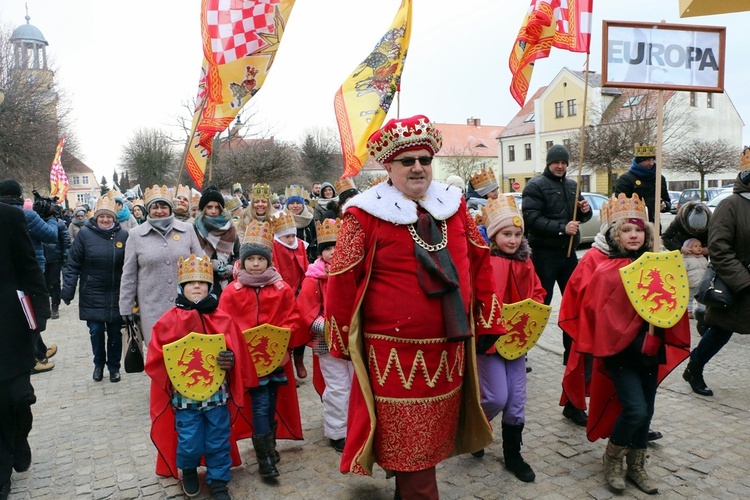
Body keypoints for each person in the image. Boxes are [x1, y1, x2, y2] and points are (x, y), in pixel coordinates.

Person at [325, 115, 504, 498]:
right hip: (394, 358)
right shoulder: (363, 215)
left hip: (450, 349)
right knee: (412, 450)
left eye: (424, 159)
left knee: (428, 445)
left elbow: (480, 261)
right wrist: (339, 343)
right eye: (407, 161)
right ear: (389, 167)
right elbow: (341, 281)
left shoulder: (453, 207)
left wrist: (488, 323)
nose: (418, 167)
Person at [576, 193, 689, 494]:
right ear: (616, 235)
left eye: (639, 229)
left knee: (647, 411)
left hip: (650, 350)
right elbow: (599, 317)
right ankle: (612, 459)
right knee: (635, 410)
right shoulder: (605, 272)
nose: (634, 235)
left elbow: (669, 303)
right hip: (621, 353)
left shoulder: (657, 265)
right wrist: (627, 336)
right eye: (627, 230)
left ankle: (637, 466)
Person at [145, 254, 255, 499]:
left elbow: (237, 352)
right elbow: (156, 359)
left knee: (218, 439)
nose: (197, 286)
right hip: (185, 399)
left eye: (202, 282)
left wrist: (231, 360)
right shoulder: (167, 321)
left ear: (210, 286)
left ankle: (218, 480)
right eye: (191, 282)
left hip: (218, 395)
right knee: (189, 441)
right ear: (181, 287)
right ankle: (189, 469)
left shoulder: (222, 318)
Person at [218, 221, 304, 479]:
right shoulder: (232, 292)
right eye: (251, 259)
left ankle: (270, 446)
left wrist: (282, 338)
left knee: (272, 400)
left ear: (268, 261)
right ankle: (264, 456)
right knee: (260, 403)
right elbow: (224, 323)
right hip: (249, 360)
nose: (255, 263)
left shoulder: (282, 289)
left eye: (260, 259)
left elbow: (294, 317)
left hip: (275, 357)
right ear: (243, 262)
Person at [474, 196, 545, 482]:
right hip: (489, 343)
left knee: (516, 400)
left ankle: (513, 455)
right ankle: (476, 429)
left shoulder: (526, 262)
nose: (513, 240)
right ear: (494, 235)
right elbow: (475, 299)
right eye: (506, 234)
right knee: (495, 396)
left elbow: (538, 294)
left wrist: (532, 310)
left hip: (516, 342)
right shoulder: (485, 262)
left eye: (517, 234)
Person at [522, 144, 591, 365]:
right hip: (543, 255)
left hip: (568, 255)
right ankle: (520, 352)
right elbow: (532, 220)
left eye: (563, 162)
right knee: (538, 305)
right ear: (548, 163)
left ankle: (571, 353)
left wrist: (584, 211)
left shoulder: (573, 185)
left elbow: (579, 218)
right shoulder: (535, 186)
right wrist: (562, 227)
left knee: (575, 303)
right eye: (556, 162)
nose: (560, 166)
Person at [683, 170, 750, 397]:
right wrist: (743, 281)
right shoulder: (730, 205)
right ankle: (694, 368)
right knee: (721, 330)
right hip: (738, 283)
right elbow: (719, 249)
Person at [0, 202, 51, 500]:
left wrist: (40, 313)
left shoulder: (10, 216)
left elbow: (29, 267)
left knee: (18, 397)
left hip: (11, 326)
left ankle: (19, 439)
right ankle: (2, 467)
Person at [119, 185, 204, 344]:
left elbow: (200, 263)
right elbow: (129, 275)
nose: (159, 211)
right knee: (158, 355)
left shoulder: (187, 230)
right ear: (148, 210)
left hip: (186, 306)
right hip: (152, 306)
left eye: (164, 206)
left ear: (170, 208)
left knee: (187, 355)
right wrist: (126, 306)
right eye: (154, 207)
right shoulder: (136, 235)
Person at [297, 218, 351, 453]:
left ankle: (356, 424)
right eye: (328, 248)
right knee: (338, 386)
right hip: (326, 340)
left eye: (336, 247)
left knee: (356, 383)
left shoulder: (352, 272)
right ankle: (338, 431)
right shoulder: (314, 278)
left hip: (353, 339)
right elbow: (305, 311)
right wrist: (326, 329)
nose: (332, 252)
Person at [61, 196, 129, 382]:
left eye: (109, 217)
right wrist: (68, 289)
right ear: (96, 217)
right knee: (96, 331)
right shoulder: (84, 234)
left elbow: (131, 266)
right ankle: (99, 363)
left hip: (116, 292)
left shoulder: (123, 236)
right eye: (102, 216)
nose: (105, 220)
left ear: (114, 218)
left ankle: (114, 367)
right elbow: (73, 263)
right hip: (92, 292)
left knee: (115, 333)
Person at [0, 179, 58, 374]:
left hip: (9, 274)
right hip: (31, 268)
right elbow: (51, 236)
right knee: (29, 311)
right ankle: (33, 356)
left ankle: (40, 351)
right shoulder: (26, 215)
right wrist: (50, 218)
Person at [270, 211, 310, 380]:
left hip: (300, 291)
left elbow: (305, 267)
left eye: (293, 235)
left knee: (301, 328)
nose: (291, 239)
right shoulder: (274, 247)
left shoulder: (300, 245)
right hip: (282, 293)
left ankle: (299, 361)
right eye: (286, 236)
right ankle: (287, 369)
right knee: (285, 331)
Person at [661, 201, 711, 331]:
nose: (696, 232)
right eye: (694, 229)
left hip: (701, 258)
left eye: (700, 230)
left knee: (702, 283)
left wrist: (709, 248)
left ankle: (702, 309)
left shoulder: (712, 222)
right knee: (687, 288)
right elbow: (666, 238)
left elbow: (719, 239)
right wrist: (679, 248)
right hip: (684, 255)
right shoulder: (679, 220)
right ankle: (687, 309)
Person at [193, 186, 239, 297]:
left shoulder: (230, 227)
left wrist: (231, 268)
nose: (213, 211)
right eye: (209, 207)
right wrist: (210, 264)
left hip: (228, 281)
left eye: (217, 207)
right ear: (204, 208)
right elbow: (191, 254)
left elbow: (238, 254)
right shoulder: (195, 228)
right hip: (203, 281)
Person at [614, 142, 671, 223]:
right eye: (648, 160)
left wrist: (664, 205)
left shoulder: (659, 179)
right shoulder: (626, 179)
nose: (651, 163)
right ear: (639, 161)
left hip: (654, 226)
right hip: (634, 225)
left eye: (652, 160)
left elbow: (667, 201)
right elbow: (621, 206)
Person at [43, 205, 70, 320]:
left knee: (54, 283)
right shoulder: (37, 222)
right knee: (43, 284)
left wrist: (65, 256)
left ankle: (55, 306)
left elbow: (66, 240)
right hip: (42, 257)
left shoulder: (59, 223)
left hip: (55, 257)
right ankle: (44, 307)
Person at [284, 185, 317, 263]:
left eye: (298, 203)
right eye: (292, 203)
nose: (295, 206)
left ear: (303, 204)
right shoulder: (282, 219)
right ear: (287, 206)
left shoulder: (310, 219)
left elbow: (315, 237)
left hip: (308, 258)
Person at [682, 238, 708, 320]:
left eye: (700, 246)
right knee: (689, 298)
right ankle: (688, 311)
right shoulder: (685, 259)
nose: (699, 247)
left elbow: (707, 268)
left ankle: (702, 311)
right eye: (695, 246)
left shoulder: (703, 258)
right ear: (689, 248)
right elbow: (683, 270)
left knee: (701, 297)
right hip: (691, 282)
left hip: (701, 282)